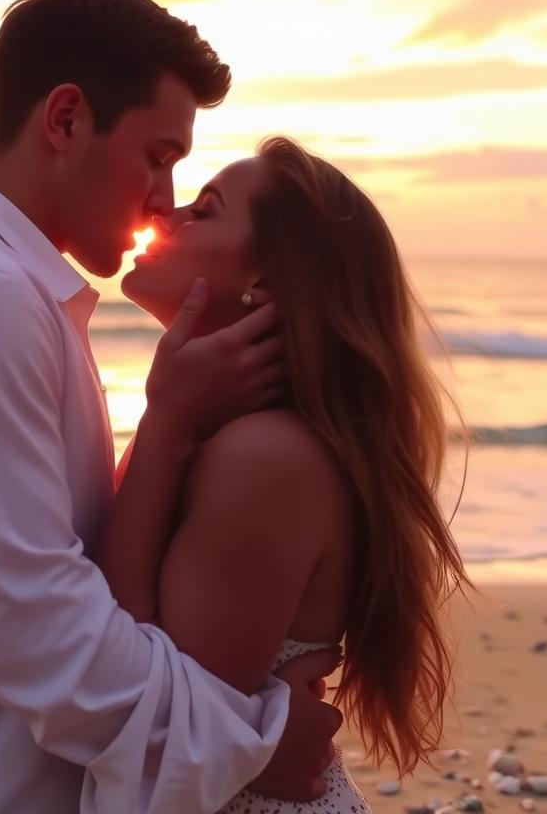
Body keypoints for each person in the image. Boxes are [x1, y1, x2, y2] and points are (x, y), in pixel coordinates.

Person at [0, 0, 342, 814]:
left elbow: (67, 588)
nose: (164, 200)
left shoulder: (1, 290)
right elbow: (43, 637)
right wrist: (251, 746)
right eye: (158, 156)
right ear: (65, 119)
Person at [98, 137, 471, 813]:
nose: (168, 214)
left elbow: (151, 702)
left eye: (205, 209)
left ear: (266, 281)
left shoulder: (265, 457)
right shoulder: (228, 436)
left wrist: (165, 420)